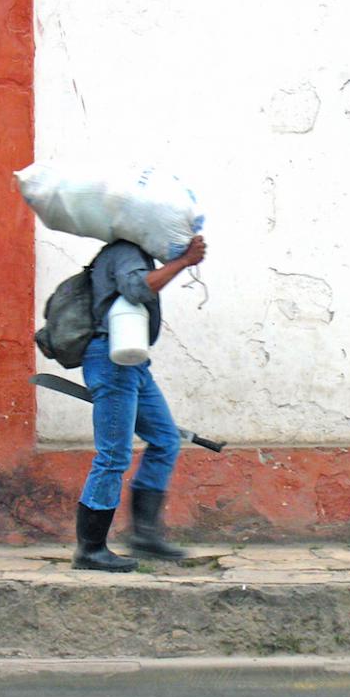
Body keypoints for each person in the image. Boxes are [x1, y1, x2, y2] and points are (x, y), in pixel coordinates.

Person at [73, 234, 208, 571]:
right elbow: (137, 289)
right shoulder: (126, 250)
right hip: (113, 360)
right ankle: (90, 549)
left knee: (165, 439)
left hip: (132, 362)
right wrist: (184, 261)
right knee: (113, 455)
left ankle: (145, 535)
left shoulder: (134, 252)